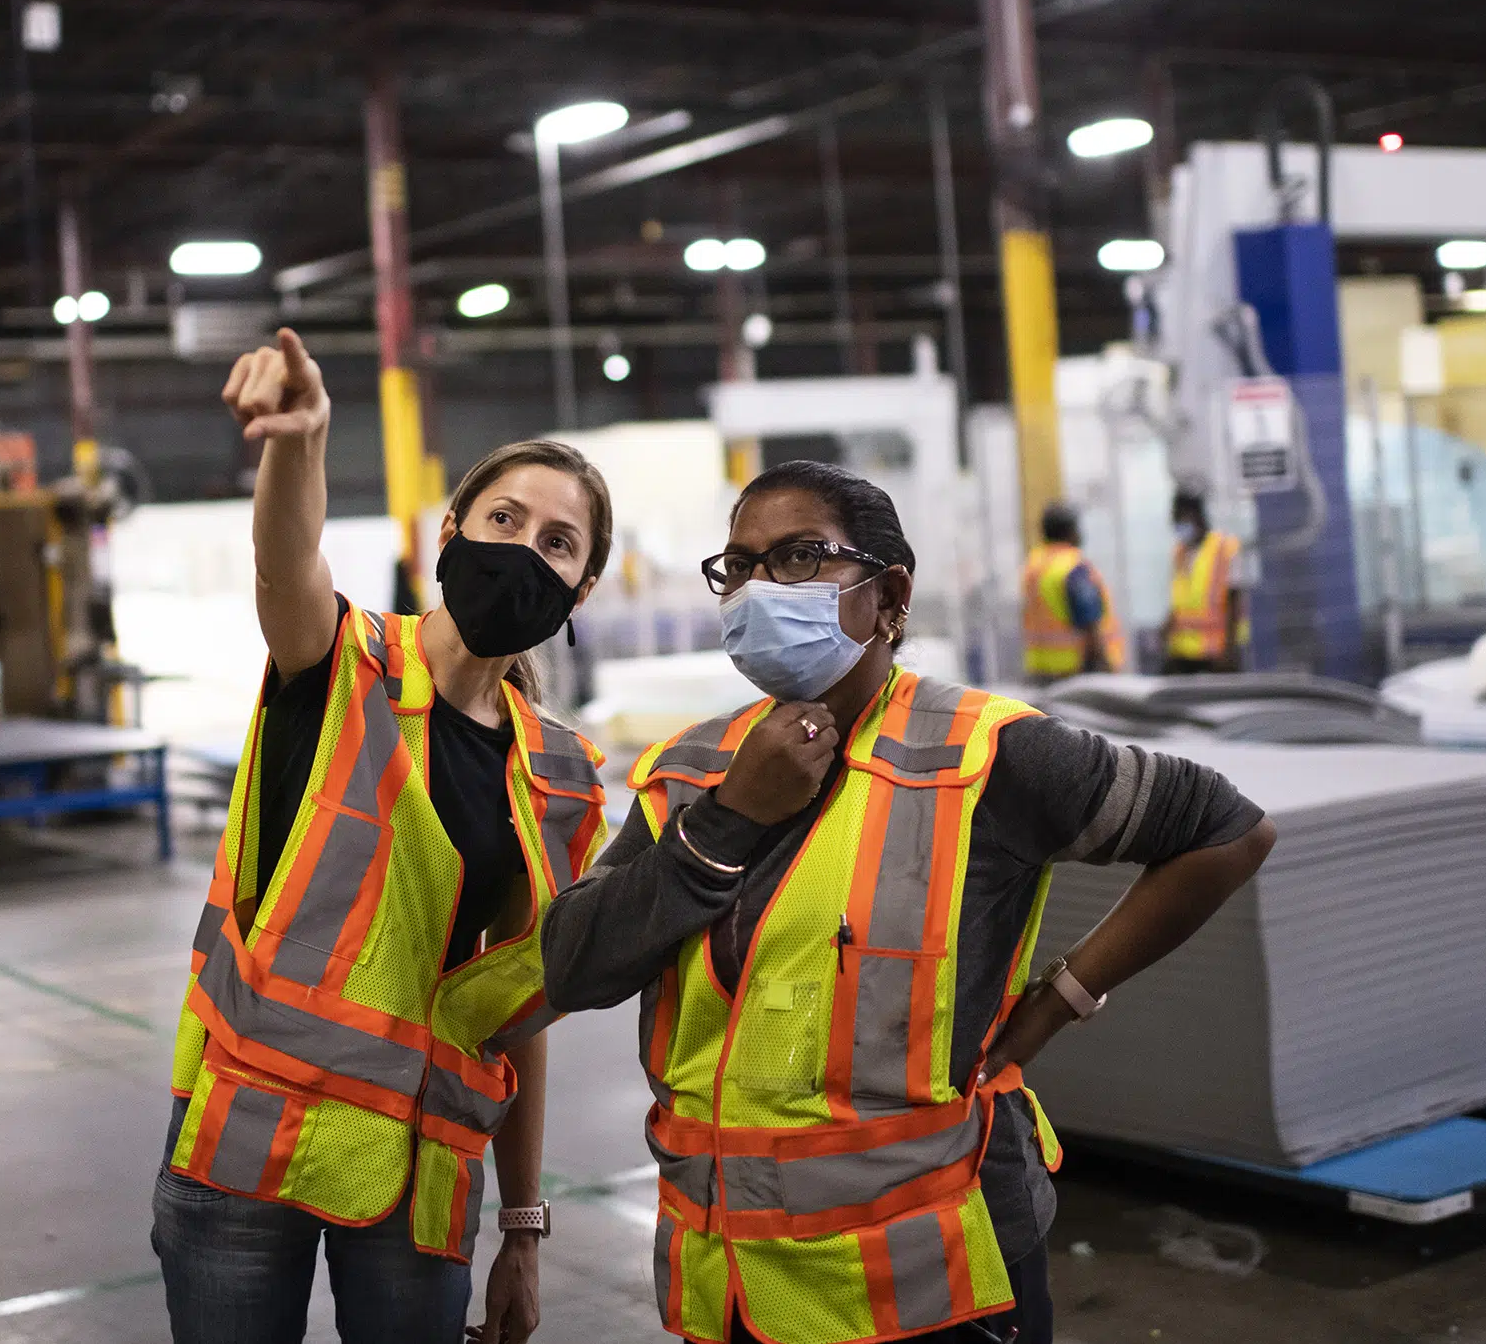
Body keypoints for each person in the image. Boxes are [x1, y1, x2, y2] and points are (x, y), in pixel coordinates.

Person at [542, 460, 1275, 1344]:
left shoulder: (987, 757)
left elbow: (1229, 830)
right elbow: (574, 964)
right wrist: (729, 818)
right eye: (738, 565)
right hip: (731, 1287)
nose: (759, 587)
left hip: (934, 1289)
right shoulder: (694, 770)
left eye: (800, 556)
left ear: (890, 596)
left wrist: (1059, 1000)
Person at [156, 328, 614, 1344]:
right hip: (247, 1147)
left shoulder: (563, 776)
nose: (523, 546)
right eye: (505, 516)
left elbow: (517, 1011)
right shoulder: (342, 657)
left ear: (579, 594)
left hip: (422, 1169)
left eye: (556, 540)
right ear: (449, 528)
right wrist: (302, 440)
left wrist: (526, 1225)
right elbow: (286, 558)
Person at [1019, 503, 1126, 679]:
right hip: (1076, 670)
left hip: (1040, 669)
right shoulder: (1072, 567)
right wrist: (1104, 663)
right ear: (1069, 531)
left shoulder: (1034, 565)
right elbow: (1089, 620)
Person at [1162, 489, 1246, 674]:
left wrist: (1228, 650)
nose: (1175, 523)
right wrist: (1167, 626)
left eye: (1178, 517)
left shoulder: (1225, 549)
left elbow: (1235, 601)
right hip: (1183, 652)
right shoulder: (1180, 552)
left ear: (1194, 516)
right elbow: (1181, 600)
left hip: (1217, 654)